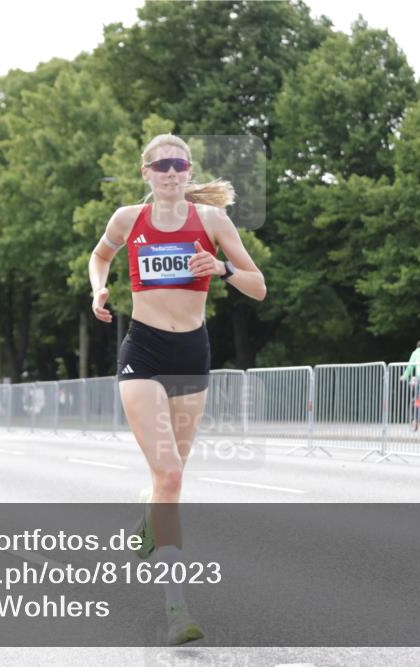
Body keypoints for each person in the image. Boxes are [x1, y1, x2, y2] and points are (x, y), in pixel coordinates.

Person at [88, 133, 266, 645]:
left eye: (179, 165)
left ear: (188, 172)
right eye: (161, 165)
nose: (170, 172)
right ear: (146, 172)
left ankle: (150, 513)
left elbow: (258, 286)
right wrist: (99, 288)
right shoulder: (128, 219)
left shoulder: (212, 221)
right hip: (142, 352)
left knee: (171, 480)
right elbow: (99, 256)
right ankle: (176, 609)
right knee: (168, 473)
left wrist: (223, 268)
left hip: (191, 353)